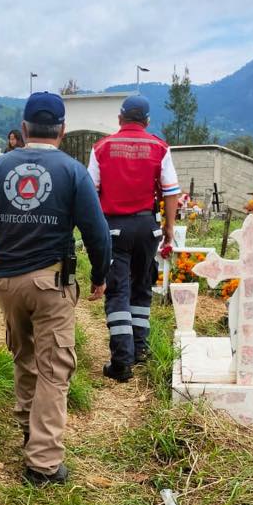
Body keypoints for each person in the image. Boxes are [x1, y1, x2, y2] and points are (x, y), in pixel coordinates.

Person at [0, 92, 111, 485]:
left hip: (6, 281)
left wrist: (12, 224)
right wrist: (100, 276)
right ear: (62, 130)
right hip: (52, 282)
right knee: (54, 366)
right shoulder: (73, 171)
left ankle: (29, 430)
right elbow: (97, 233)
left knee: (25, 355)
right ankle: (44, 463)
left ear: (25, 127)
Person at [88, 94, 180, 381]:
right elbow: (171, 191)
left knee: (117, 292)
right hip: (146, 227)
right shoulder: (159, 147)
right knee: (141, 288)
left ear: (120, 119)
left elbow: (91, 191)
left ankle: (121, 362)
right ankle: (140, 349)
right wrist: (169, 230)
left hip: (113, 228)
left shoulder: (101, 148)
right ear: (147, 121)